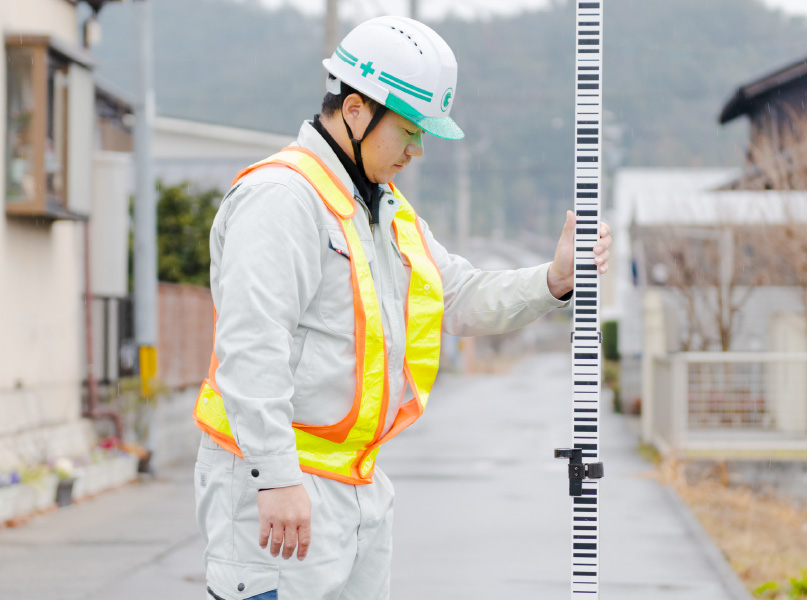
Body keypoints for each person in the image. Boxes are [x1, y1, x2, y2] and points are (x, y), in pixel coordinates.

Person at [193, 15, 612, 600]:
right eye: (411, 129)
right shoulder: (282, 199)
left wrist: (552, 280)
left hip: (356, 486)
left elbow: (456, 296)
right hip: (279, 492)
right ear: (357, 110)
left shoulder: (383, 209)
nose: (417, 150)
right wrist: (274, 477)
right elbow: (251, 344)